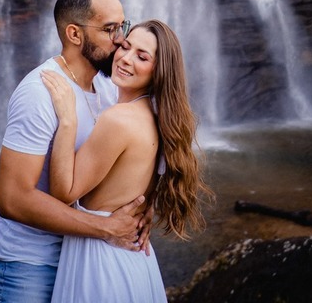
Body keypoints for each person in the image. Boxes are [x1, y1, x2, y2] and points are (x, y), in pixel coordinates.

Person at [0, 0, 147, 303]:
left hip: (83, 258)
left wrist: (143, 214)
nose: (122, 40)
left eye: (123, 27)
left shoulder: (110, 88)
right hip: (28, 265)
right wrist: (107, 228)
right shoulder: (40, 93)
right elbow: (14, 199)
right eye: (110, 29)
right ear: (74, 34)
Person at [41, 19, 210, 303]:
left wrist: (68, 121)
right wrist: (149, 205)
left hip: (99, 262)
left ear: (159, 72)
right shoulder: (157, 119)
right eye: (126, 46)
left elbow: (63, 192)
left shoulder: (118, 119)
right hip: (133, 262)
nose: (125, 59)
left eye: (142, 57)